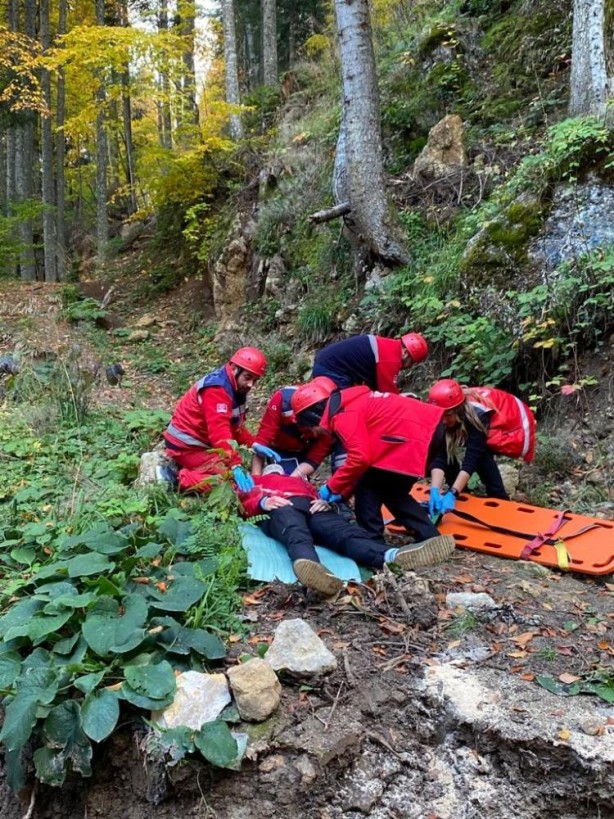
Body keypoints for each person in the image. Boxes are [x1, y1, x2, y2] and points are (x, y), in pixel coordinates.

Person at [290, 381, 456, 566]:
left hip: (415, 435)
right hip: (426, 430)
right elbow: (361, 462)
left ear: (313, 417)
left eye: (311, 429)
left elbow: (359, 459)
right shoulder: (351, 403)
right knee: (392, 491)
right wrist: (341, 493)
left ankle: (374, 545)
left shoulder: (343, 415)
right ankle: (430, 537)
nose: (316, 433)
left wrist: (329, 489)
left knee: (368, 487)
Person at [239, 464, 439, 596]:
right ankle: (314, 570)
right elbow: (241, 498)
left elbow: (325, 498)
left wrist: (326, 504)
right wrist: (263, 501)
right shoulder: (255, 480)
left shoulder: (301, 482)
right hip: (280, 505)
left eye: (279, 469)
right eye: (272, 469)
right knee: (294, 531)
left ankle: (391, 555)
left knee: (343, 532)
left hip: (312, 506)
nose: (276, 471)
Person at [163, 346, 267, 493]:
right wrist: (235, 465)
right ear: (234, 368)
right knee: (227, 483)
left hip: (199, 443)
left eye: (255, 380)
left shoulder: (235, 387)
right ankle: (177, 477)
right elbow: (220, 433)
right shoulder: (217, 391)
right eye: (248, 377)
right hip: (186, 447)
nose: (251, 385)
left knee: (231, 475)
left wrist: (253, 443)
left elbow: (234, 427)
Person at [426, 379, 536, 517]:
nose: (443, 421)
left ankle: (500, 500)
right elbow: (440, 455)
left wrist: (453, 493)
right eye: (441, 415)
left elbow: (472, 459)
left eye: (448, 416)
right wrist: (434, 489)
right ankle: (464, 495)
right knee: (446, 447)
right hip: (471, 421)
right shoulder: (441, 413)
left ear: (459, 410)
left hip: (511, 423)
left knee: (482, 456)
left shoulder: (478, 414)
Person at [251, 378, 335, 478]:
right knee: (277, 477)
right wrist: (256, 478)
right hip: (280, 447)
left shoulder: (330, 423)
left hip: (304, 448)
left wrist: (293, 479)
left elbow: (314, 458)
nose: (317, 435)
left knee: (295, 484)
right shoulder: (282, 401)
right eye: (315, 431)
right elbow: (262, 442)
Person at [311, 332, 428, 393]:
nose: (408, 367)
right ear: (406, 353)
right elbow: (388, 393)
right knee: (345, 407)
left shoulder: (387, 347)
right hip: (330, 369)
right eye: (411, 363)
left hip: (328, 364)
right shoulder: (390, 357)